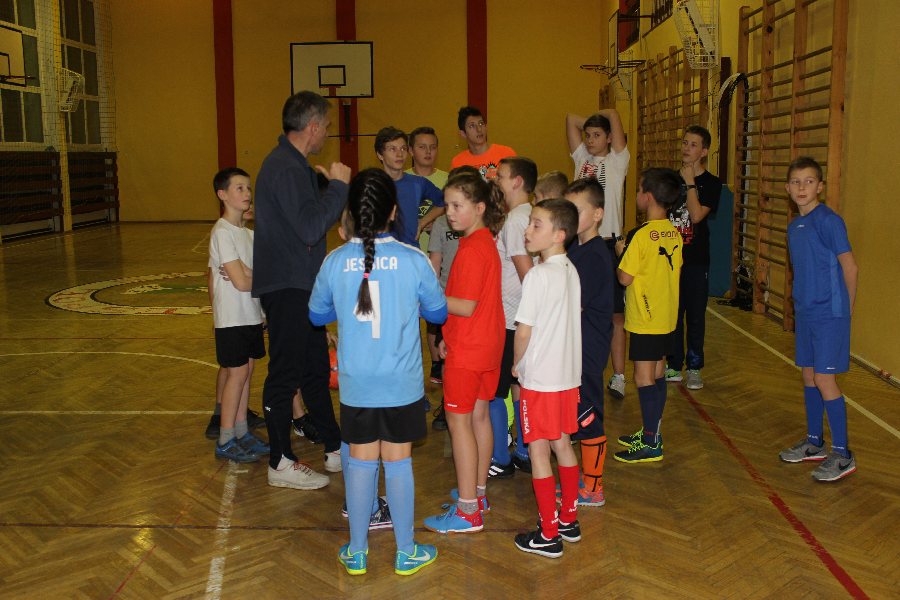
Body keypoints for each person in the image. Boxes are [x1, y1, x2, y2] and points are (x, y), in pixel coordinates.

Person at [310, 168, 447, 576]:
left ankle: (357, 551)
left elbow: (316, 315)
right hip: (401, 383)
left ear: (351, 212)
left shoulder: (334, 261)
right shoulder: (414, 259)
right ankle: (406, 551)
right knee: (399, 461)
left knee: (361, 461)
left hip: (358, 384)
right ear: (393, 211)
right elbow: (438, 312)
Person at [253, 91, 349, 489]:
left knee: (314, 369)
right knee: (286, 372)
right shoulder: (285, 168)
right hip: (288, 285)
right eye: (325, 126)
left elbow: (303, 217)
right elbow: (311, 228)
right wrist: (338, 188)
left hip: (302, 285)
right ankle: (279, 461)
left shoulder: (294, 167)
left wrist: (323, 185)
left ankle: (334, 446)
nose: (327, 133)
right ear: (312, 127)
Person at [423, 170, 506, 534]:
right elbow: (477, 304)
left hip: (470, 351)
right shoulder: (484, 241)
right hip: (486, 344)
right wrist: (447, 334)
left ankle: (468, 510)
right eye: (447, 205)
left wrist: (424, 296)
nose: (450, 213)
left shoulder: (471, 249)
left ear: (480, 207)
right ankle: (479, 494)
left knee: (459, 424)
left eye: (458, 206)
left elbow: (465, 305)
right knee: (479, 418)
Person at [778, 156, 858, 482]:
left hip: (830, 315)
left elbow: (850, 267)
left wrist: (845, 311)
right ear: (787, 188)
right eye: (796, 182)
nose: (802, 187)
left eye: (809, 181)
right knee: (809, 376)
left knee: (825, 380)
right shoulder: (793, 227)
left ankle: (843, 453)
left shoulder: (829, 221)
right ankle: (815, 442)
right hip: (807, 314)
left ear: (820, 187)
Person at [511, 198, 582, 558]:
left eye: (536, 224)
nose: (527, 230)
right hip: (567, 378)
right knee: (562, 444)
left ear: (559, 234)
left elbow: (523, 331)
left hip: (540, 380)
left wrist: (516, 364)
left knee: (539, 451)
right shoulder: (570, 270)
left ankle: (549, 534)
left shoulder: (538, 276)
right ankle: (568, 519)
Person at [613, 168, 683, 464]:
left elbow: (624, 278)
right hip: (666, 317)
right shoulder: (674, 232)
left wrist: (621, 252)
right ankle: (652, 430)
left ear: (649, 197)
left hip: (645, 317)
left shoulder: (641, 236)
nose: (637, 194)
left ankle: (652, 442)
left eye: (640, 189)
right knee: (657, 374)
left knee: (643, 379)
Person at [566, 110, 630, 400]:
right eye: (588, 135)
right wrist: (592, 123)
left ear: (610, 138)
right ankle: (577, 369)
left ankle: (618, 376)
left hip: (607, 245)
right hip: (579, 243)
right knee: (577, 310)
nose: (590, 140)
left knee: (615, 315)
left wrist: (602, 120)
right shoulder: (582, 158)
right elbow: (571, 118)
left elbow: (614, 114)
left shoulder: (617, 162)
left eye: (597, 135)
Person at [208, 167, 271, 463]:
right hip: (231, 317)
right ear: (222, 195)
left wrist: (250, 274)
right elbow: (241, 282)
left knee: (246, 372)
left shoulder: (249, 234)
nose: (247, 193)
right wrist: (250, 275)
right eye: (239, 188)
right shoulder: (222, 232)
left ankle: (242, 432)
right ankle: (225, 438)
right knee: (236, 375)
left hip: (251, 314)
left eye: (248, 188)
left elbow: (251, 278)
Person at [564, 178, 614, 505]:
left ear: (597, 214)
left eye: (577, 211)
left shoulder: (594, 255)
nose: (570, 217)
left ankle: (594, 488)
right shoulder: (576, 248)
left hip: (588, 350)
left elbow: (574, 305)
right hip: (574, 348)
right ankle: (581, 479)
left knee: (588, 414)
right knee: (575, 412)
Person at [488, 156, 538, 478]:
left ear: (517, 182)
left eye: (502, 176)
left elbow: (528, 275)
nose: (497, 181)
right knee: (519, 385)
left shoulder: (517, 220)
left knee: (495, 390)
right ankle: (522, 450)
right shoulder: (526, 215)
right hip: (518, 318)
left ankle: (499, 458)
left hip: (510, 319)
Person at [665, 126, 723, 390]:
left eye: (693, 144)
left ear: (704, 151)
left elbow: (697, 215)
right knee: (673, 314)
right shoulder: (669, 180)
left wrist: (689, 183)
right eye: (684, 143)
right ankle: (674, 363)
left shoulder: (711, 183)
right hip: (670, 260)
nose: (686, 148)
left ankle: (695, 367)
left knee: (696, 316)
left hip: (697, 260)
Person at [406, 126, 449, 384]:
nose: (428, 152)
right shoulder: (403, 179)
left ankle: (438, 362)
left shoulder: (447, 178)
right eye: (422, 147)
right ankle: (418, 368)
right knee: (410, 316)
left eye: (432, 147)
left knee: (436, 312)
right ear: (411, 150)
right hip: (411, 259)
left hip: (441, 258)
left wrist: (438, 223)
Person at [374, 126, 444, 248]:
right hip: (382, 253)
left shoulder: (418, 183)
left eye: (403, 148)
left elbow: (443, 202)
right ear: (380, 154)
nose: (399, 154)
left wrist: (422, 222)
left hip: (411, 252)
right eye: (392, 149)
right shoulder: (372, 186)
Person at [450, 106, 515, 179]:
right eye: (472, 126)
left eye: (481, 123)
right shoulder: (458, 163)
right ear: (463, 134)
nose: (479, 129)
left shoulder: (506, 154)